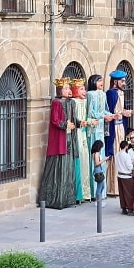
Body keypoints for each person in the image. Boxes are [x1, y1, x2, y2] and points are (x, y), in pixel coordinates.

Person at [39, 78, 80, 209]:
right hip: (60, 140)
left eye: (69, 88)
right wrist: (65, 124)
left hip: (69, 138)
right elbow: (54, 120)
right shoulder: (56, 103)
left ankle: (67, 198)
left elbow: (74, 119)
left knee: (68, 168)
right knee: (59, 167)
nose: (69, 90)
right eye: (66, 88)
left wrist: (80, 123)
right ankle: (55, 199)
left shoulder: (71, 102)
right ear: (60, 90)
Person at [105, 70, 134, 196]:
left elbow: (121, 110)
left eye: (124, 80)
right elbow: (110, 111)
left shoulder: (121, 93)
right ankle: (113, 186)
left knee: (123, 150)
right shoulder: (111, 93)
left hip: (120, 127)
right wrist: (119, 114)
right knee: (115, 151)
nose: (124, 83)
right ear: (115, 81)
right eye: (122, 81)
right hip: (114, 127)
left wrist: (128, 112)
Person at [86, 74, 115, 200]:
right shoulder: (90, 94)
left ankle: (101, 191)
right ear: (93, 82)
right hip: (93, 128)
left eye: (102, 80)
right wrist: (104, 117)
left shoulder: (103, 95)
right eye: (98, 81)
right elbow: (91, 112)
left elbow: (104, 110)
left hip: (101, 128)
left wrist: (114, 115)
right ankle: (93, 190)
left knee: (101, 151)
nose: (101, 82)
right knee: (95, 153)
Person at [70, 78, 98, 202]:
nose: (84, 91)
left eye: (84, 89)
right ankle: (78, 194)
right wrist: (83, 122)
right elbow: (74, 119)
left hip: (84, 135)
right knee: (79, 160)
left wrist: (91, 121)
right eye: (81, 89)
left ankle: (86, 193)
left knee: (85, 161)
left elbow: (87, 116)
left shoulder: (84, 101)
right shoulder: (73, 102)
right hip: (76, 134)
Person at [115, 140, 134, 216]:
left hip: (120, 175)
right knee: (129, 193)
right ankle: (130, 209)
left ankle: (123, 208)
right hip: (127, 176)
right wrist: (133, 163)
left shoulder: (117, 154)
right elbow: (129, 167)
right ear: (126, 146)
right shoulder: (126, 155)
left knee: (122, 193)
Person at [91, 140, 111, 207]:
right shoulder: (96, 153)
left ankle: (99, 200)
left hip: (98, 170)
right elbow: (97, 163)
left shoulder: (94, 153)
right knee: (100, 187)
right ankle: (98, 202)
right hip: (98, 170)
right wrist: (104, 159)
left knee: (102, 186)